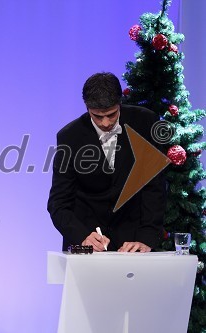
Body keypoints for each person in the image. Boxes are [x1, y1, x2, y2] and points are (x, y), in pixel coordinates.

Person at [47, 72, 166, 253]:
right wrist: (82, 236)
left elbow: (154, 186)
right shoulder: (69, 137)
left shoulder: (145, 122)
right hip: (89, 243)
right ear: (87, 108)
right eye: (97, 116)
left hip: (134, 242)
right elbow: (58, 202)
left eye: (111, 115)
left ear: (120, 103)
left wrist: (146, 238)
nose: (105, 123)